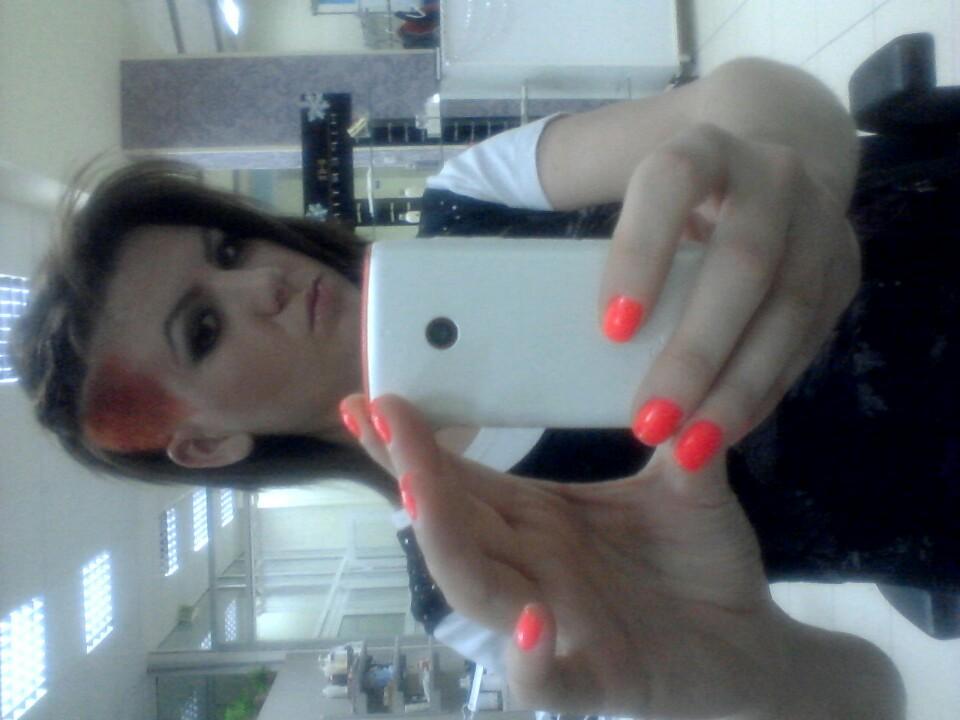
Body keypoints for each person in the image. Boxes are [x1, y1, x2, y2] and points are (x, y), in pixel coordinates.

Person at [11, 57, 957, 717]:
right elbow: (869, 697)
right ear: (210, 442)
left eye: (226, 250)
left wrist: (794, 161)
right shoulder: (476, 578)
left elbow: (751, 96)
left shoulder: (469, 202)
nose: (261, 280)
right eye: (203, 330)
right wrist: (749, 676)